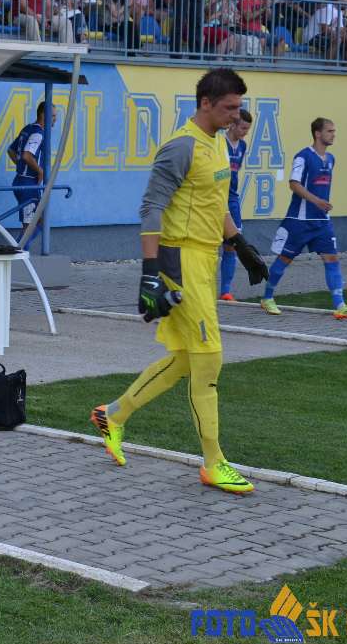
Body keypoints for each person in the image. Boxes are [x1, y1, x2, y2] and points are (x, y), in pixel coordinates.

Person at [89, 69, 269, 494]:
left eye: (238, 108)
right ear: (205, 103)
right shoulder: (180, 147)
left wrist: (240, 243)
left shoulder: (221, 144)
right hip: (181, 260)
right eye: (228, 108)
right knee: (210, 361)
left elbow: (215, 202)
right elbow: (150, 208)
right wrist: (150, 273)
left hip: (206, 260)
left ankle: (112, 414)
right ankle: (213, 461)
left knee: (189, 359)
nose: (234, 116)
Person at [258, 118, 347, 319]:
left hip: (322, 221)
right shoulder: (303, 157)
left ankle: (340, 305)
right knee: (285, 258)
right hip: (299, 220)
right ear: (317, 133)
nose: (334, 134)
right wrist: (316, 201)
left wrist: (321, 206)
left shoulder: (331, 159)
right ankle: (267, 297)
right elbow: (294, 184)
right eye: (330, 131)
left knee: (332, 258)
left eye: (334, 131)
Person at [217, 108, 252, 301]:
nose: (245, 132)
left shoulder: (243, 146)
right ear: (233, 124)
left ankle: (226, 291)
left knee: (232, 243)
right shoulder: (219, 142)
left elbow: (235, 173)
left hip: (232, 198)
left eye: (247, 129)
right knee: (210, 242)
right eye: (243, 128)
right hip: (215, 197)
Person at [7, 101, 48, 238]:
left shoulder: (27, 128)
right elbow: (27, 155)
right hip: (29, 184)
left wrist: (21, 167)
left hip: (20, 180)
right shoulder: (38, 133)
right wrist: (40, 171)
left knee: (40, 221)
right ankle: (19, 253)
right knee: (30, 225)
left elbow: (11, 151)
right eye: (53, 116)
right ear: (43, 114)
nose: (55, 120)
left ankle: (21, 251)